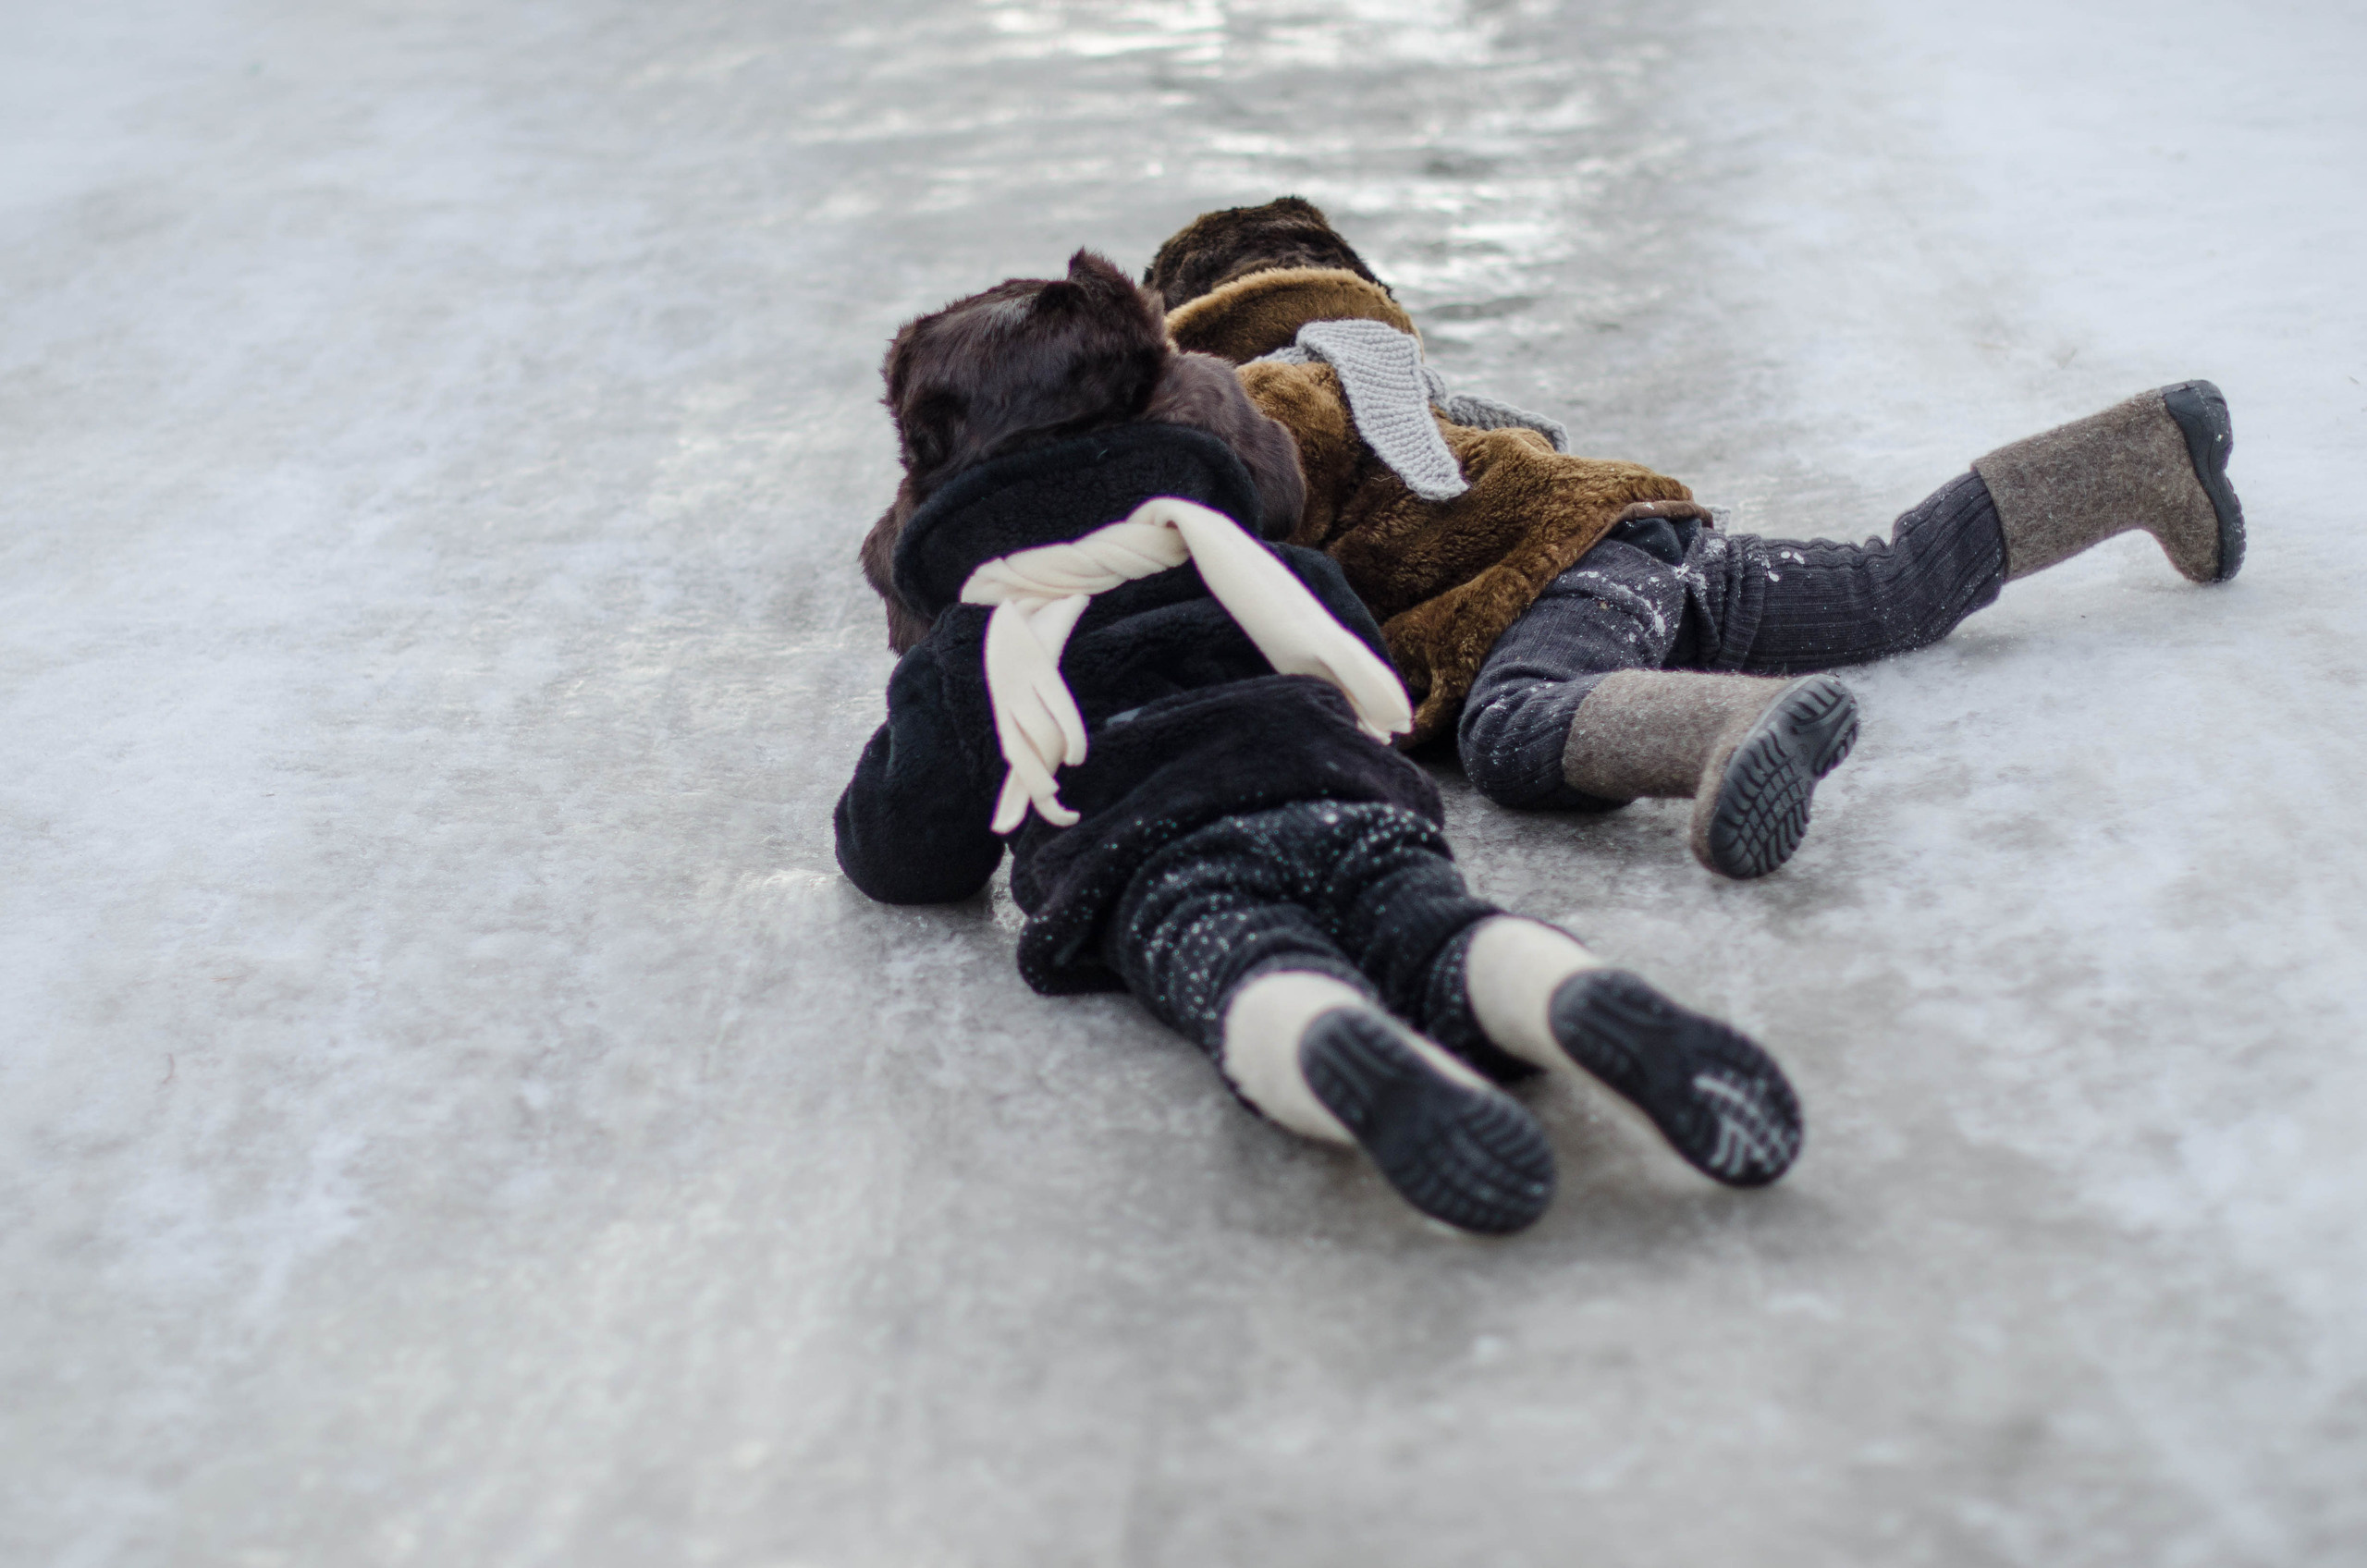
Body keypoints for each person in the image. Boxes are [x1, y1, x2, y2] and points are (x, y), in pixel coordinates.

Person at [837, 252, 1804, 1235]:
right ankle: (1568, 992)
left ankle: (1334, 1047)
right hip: (1341, 796)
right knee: (1435, 926)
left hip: (1158, 861)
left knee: (1242, 966)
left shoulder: (977, 648)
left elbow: (905, 853)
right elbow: (1352, 662)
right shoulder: (1255, 564)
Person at [1145, 198, 2246, 877]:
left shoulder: (1276, 387)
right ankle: (2139, 456)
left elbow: (1272, 506)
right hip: (1631, 536)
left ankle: (1730, 723)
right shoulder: (1417, 381)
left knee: (1516, 731)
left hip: (1550, 578)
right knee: (1891, 583)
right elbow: (1537, 437)